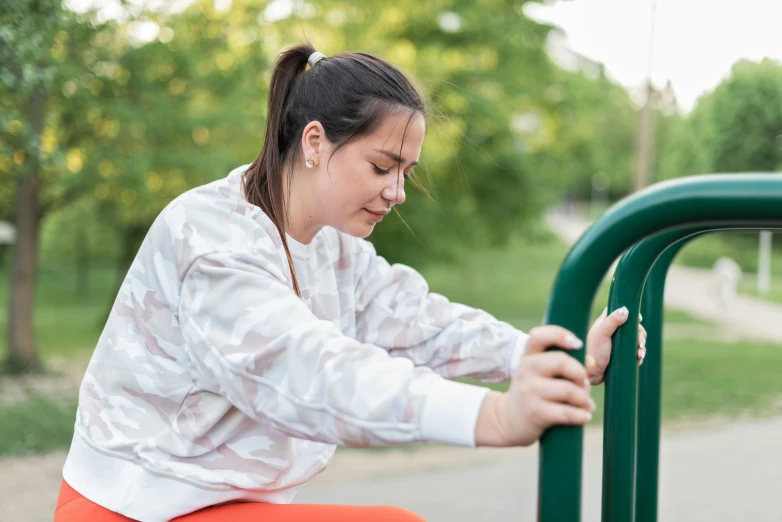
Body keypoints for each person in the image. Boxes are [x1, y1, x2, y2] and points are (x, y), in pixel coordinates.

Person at [54, 44, 646, 522]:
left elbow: (418, 320)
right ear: (315, 142)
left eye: (406, 172)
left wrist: (545, 353)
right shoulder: (212, 240)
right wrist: (491, 417)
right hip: (136, 506)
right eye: (382, 167)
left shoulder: (332, 243)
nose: (398, 191)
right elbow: (312, 373)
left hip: (222, 503)